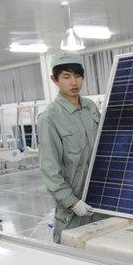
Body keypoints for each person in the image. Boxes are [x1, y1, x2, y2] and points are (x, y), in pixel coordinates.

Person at [38, 52, 101, 243]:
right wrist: (72, 202)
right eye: (66, 77)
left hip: (99, 200)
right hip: (72, 209)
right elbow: (50, 169)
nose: (74, 82)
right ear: (54, 80)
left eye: (78, 76)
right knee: (71, 259)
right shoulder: (49, 117)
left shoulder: (90, 107)